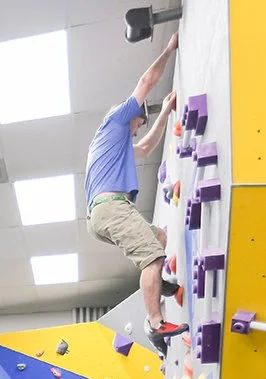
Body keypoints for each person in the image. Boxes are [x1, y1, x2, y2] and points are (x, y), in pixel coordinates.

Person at [85, 31, 182, 356]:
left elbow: (145, 147)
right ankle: (154, 323)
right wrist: (168, 49)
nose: (139, 126)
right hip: (111, 207)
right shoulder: (116, 120)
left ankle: (161, 286)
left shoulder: (114, 144)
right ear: (131, 117)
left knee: (159, 237)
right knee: (152, 257)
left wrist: (166, 113)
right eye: (139, 121)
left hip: (101, 215)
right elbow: (145, 81)